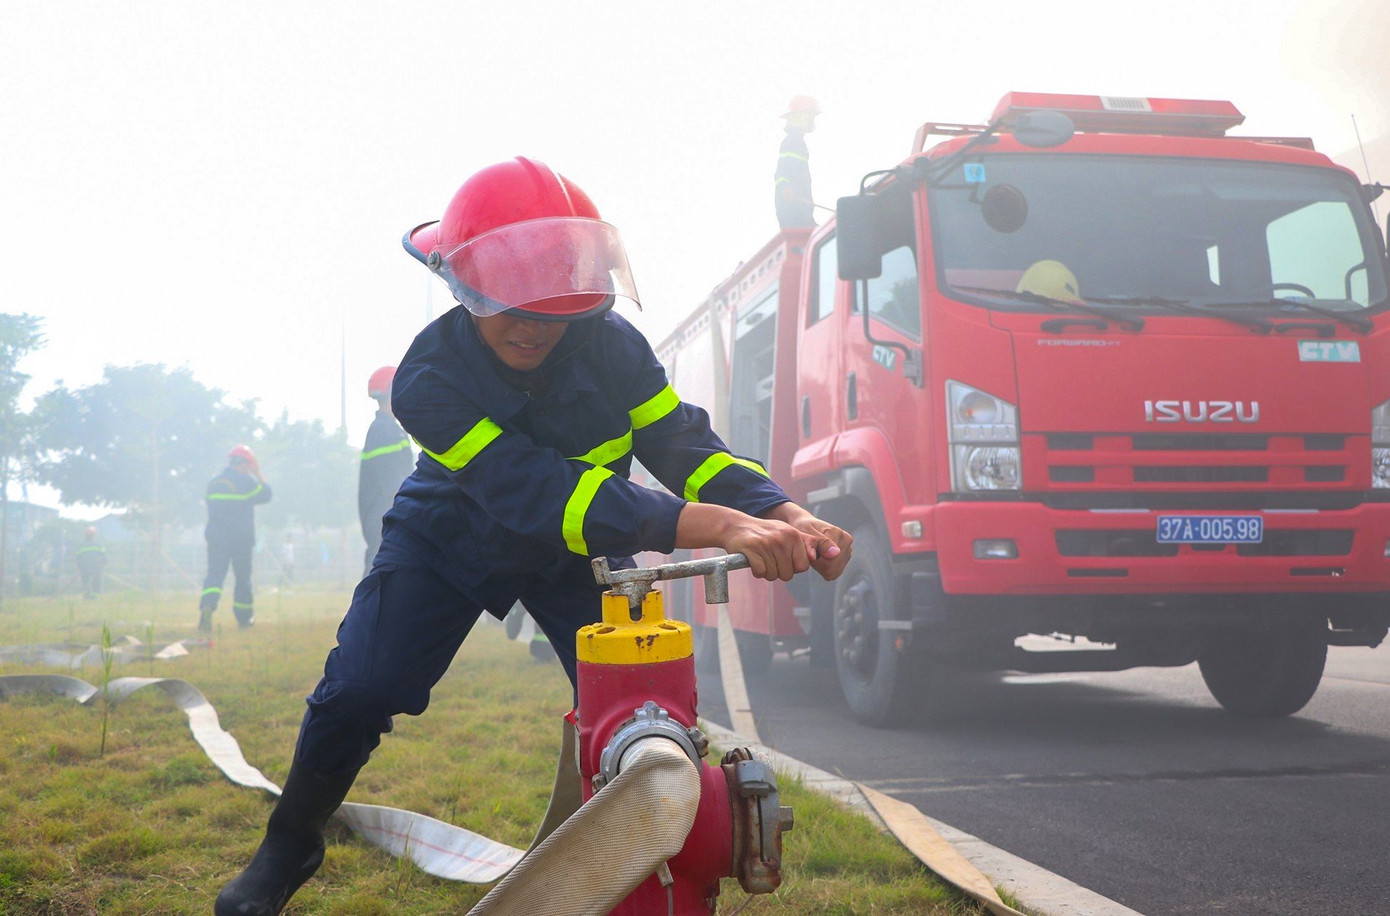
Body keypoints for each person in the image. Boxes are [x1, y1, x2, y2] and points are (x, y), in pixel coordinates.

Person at [214, 156, 853, 915]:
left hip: (577, 556)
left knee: (640, 715)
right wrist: (707, 524)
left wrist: (782, 511)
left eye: (549, 305)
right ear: (459, 287)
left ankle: (649, 867)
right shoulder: (426, 379)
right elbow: (531, 490)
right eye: (506, 304)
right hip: (447, 539)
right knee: (361, 687)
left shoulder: (614, 349)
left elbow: (685, 447)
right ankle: (291, 842)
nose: (528, 327)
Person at [198, 444, 272, 631]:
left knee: (214, 576)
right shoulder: (246, 482)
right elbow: (266, 494)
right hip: (241, 541)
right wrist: (259, 474)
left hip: (216, 539)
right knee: (242, 579)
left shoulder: (214, 484)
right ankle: (244, 619)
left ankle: (206, 610)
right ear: (246, 463)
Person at [358, 365, 414, 575]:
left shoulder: (388, 429)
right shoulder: (385, 431)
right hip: (385, 521)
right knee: (377, 575)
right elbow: (393, 482)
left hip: (385, 519)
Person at [774, 94, 820, 230]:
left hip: (799, 207)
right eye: (810, 115)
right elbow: (782, 172)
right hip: (795, 209)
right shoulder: (793, 141)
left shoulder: (797, 141)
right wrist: (786, 188)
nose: (812, 120)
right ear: (801, 116)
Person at [73, 526, 106, 599]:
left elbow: (77, 558)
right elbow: (104, 557)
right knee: (97, 581)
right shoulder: (98, 545)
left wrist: (79, 567)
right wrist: (103, 565)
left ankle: (87, 596)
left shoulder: (80, 546)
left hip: (84, 567)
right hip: (96, 568)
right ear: (94, 535)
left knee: (86, 581)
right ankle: (95, 596)